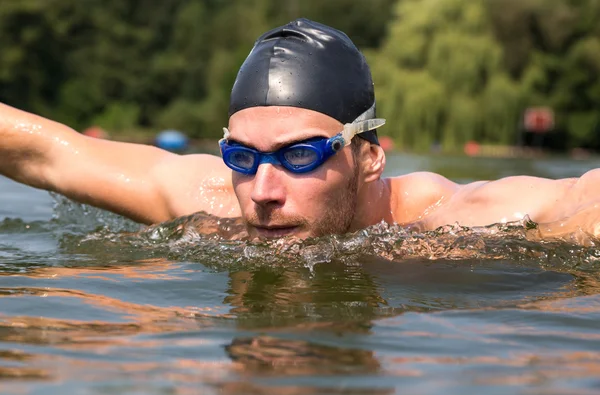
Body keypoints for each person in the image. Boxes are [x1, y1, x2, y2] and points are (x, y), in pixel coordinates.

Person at [0, 19, 598, 240]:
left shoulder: (446, 220)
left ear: (369, 158)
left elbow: (578, 198)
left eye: (301, 156)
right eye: (242, 157)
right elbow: (49, 155)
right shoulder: (213, 200)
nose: (262, 191)